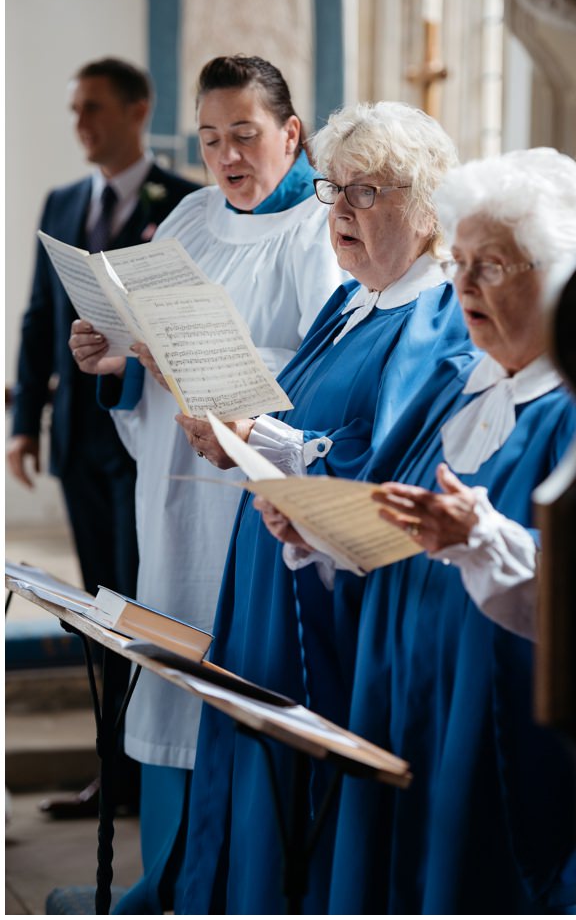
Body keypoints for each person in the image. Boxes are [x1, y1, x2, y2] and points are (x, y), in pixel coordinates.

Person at [255, 147, 576, 912]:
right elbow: (387, 519)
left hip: (489, 724)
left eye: (494, 266)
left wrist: (480, 537)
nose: (463, 285)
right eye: (461, 262)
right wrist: (316, 530)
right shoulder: (454, 384)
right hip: (395, 692)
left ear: (559, 275)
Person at [174, 101, 475, 914]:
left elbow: (387, 460)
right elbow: (301, 418)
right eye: (333, 190)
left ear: (425, 202)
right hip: (271, 562)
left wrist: (258, 436)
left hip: (327, 593)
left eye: (365, 194)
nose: (339, 213)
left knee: (295, 783)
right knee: (250, 757)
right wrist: (240, 429)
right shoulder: (351, 304)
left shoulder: (436, 318)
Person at [68, 55, 344, 911]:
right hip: (175, 492)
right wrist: (111, 358)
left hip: (252, 506)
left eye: (247, 135)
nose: (228, 156)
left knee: (233, 684)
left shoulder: (318, 232)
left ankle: (233, 888)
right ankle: (164, 885)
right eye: (212, 137)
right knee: (170, 677)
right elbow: (147, 362)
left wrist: (195, 357)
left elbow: (328, 373)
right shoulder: (187, 218)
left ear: (291, 133)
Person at [11, 58, 199, 821]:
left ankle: (147, 771)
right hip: (78, 440)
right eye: (74, 109)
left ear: (137, 109)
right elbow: (36, 321)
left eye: (93, 107)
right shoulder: (62, 201)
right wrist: (24, 423)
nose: (81, 123)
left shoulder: (185, 201)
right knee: (96, 608)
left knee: (139, 605)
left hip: (144, 440)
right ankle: (109, 771)